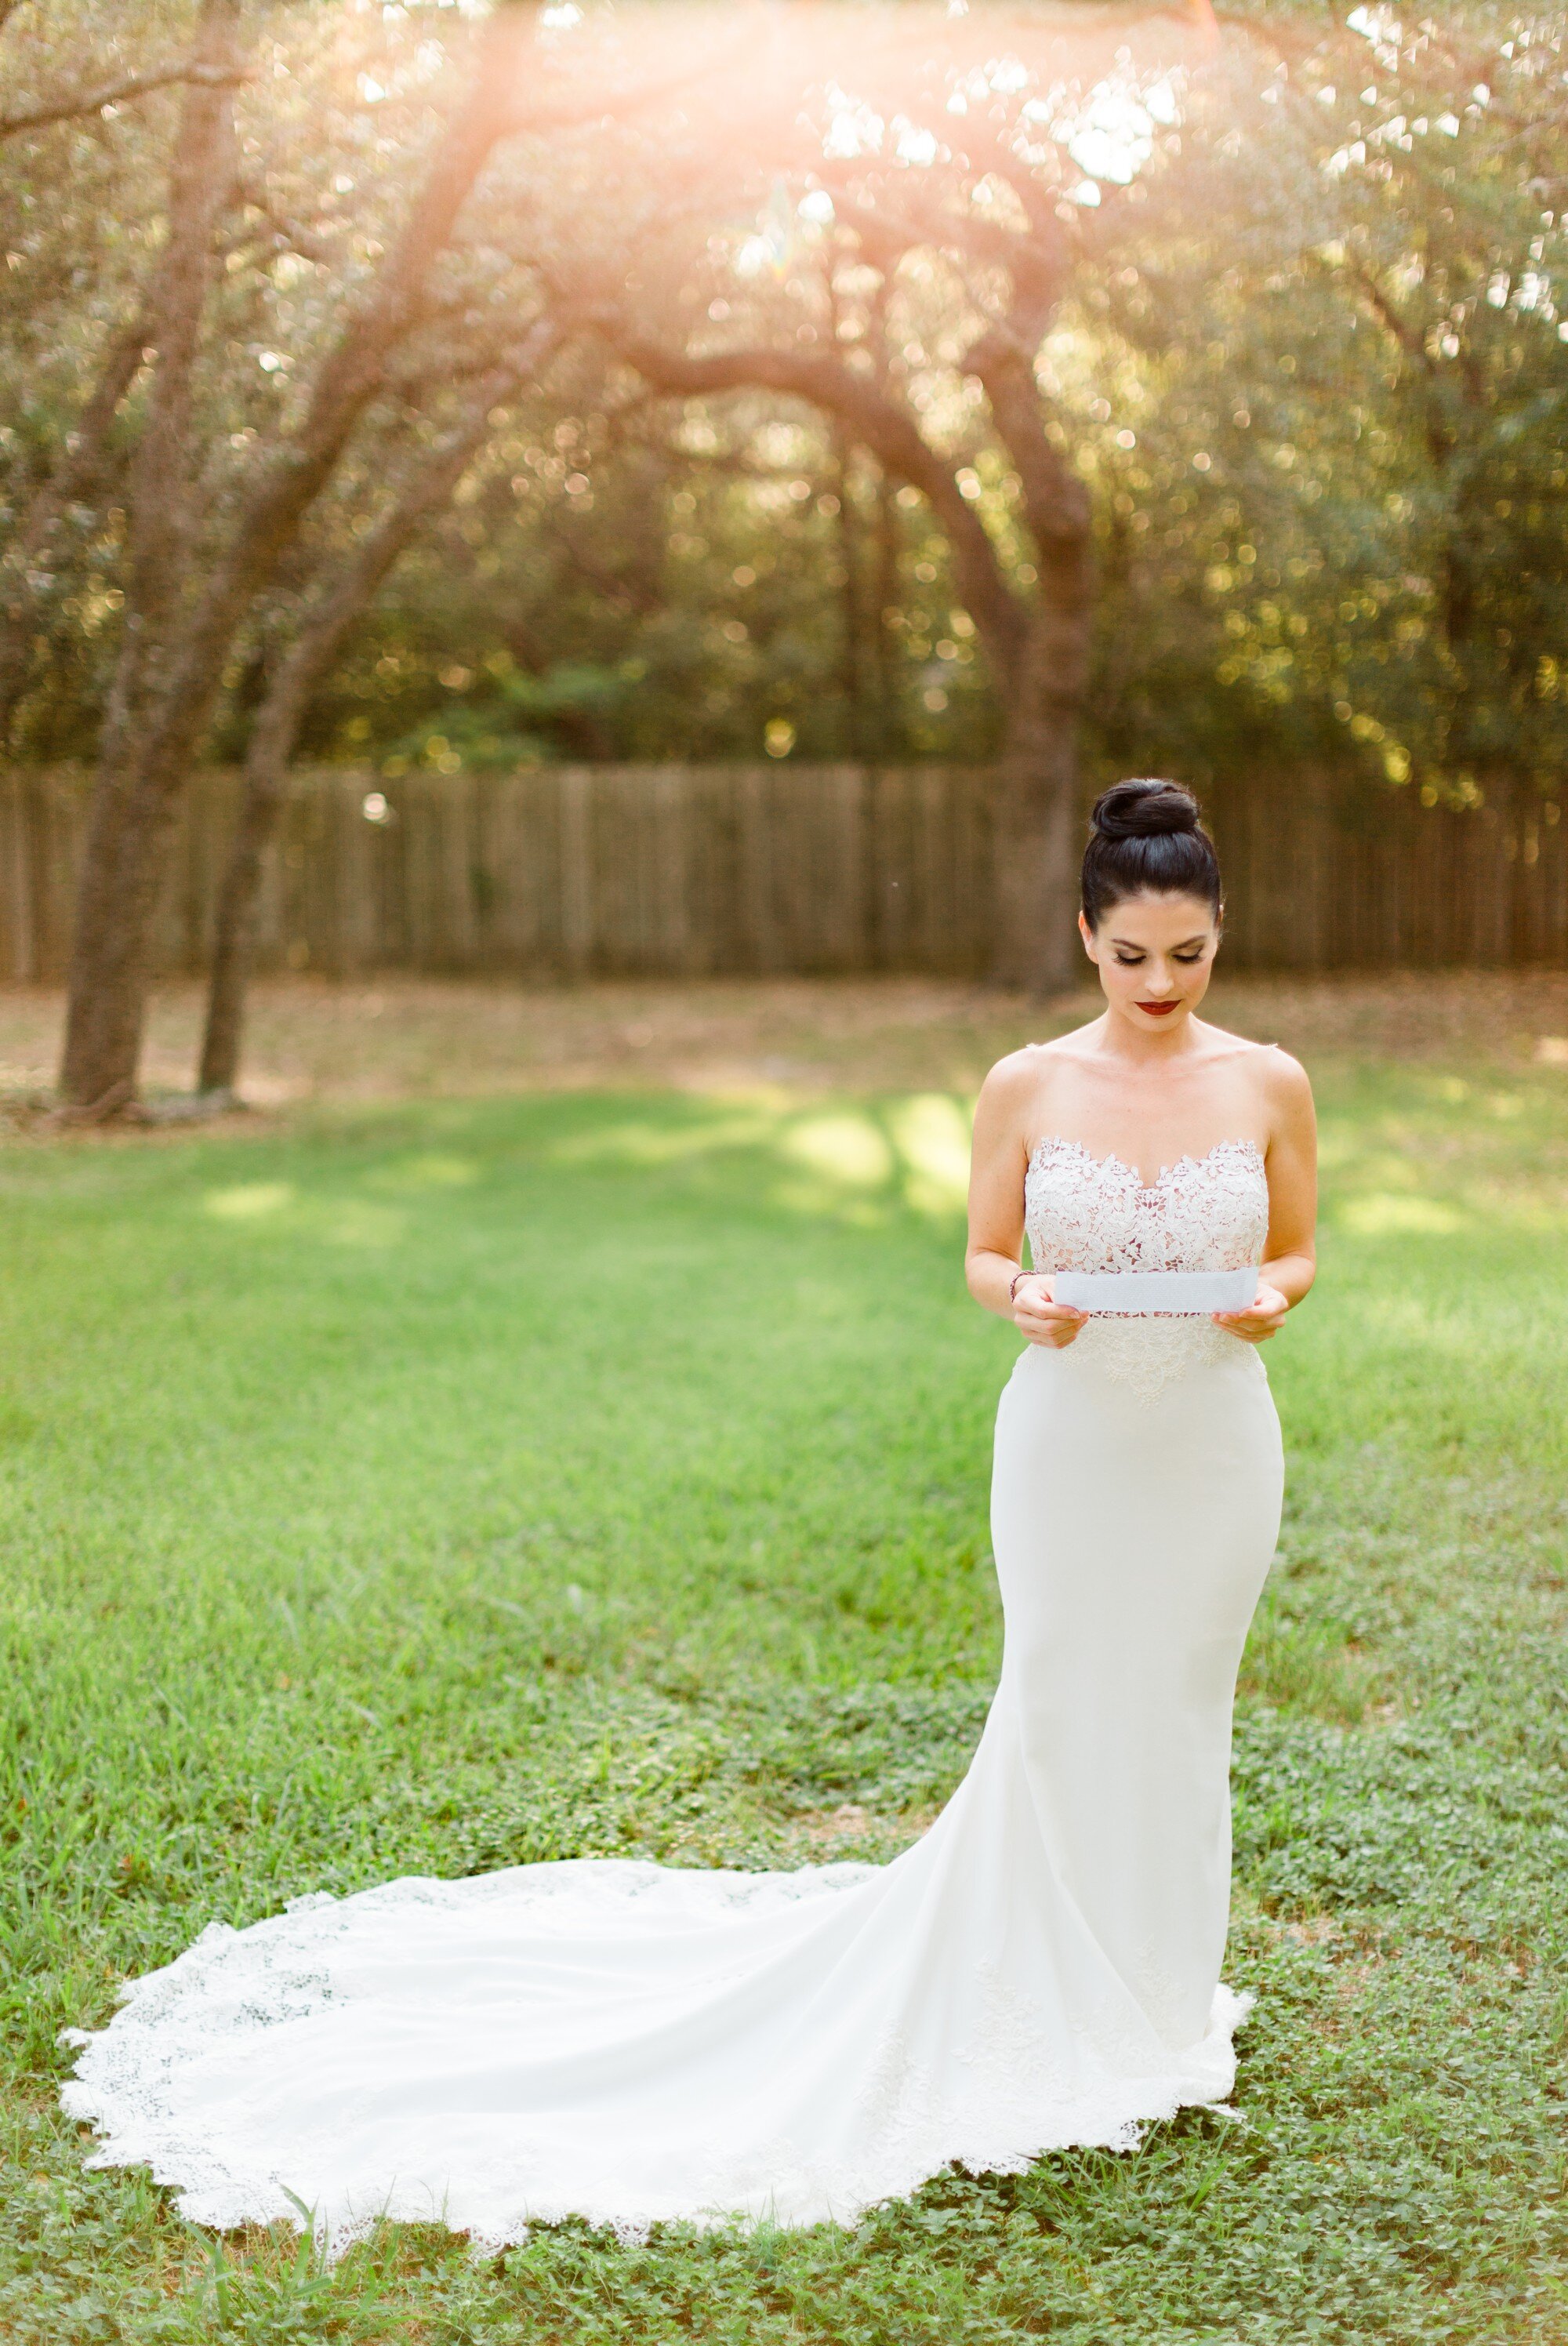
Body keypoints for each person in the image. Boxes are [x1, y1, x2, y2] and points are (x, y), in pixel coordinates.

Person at [62, 779, 1316, 2257]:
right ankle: (1044, 1975)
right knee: (1056, 1700)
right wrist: (1023, 1296)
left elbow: (1296, 1248)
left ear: (1220, 937)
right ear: (1085, 936)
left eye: (1190, 956)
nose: (1162, 987)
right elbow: (985, 1253)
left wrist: (1271, 1297)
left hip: (1214, 1451)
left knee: (1178, 1707)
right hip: (1069, 1445)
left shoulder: (1271, 1082)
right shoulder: (1026, 1084)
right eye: (1132, 958)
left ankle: (1159, 1993)